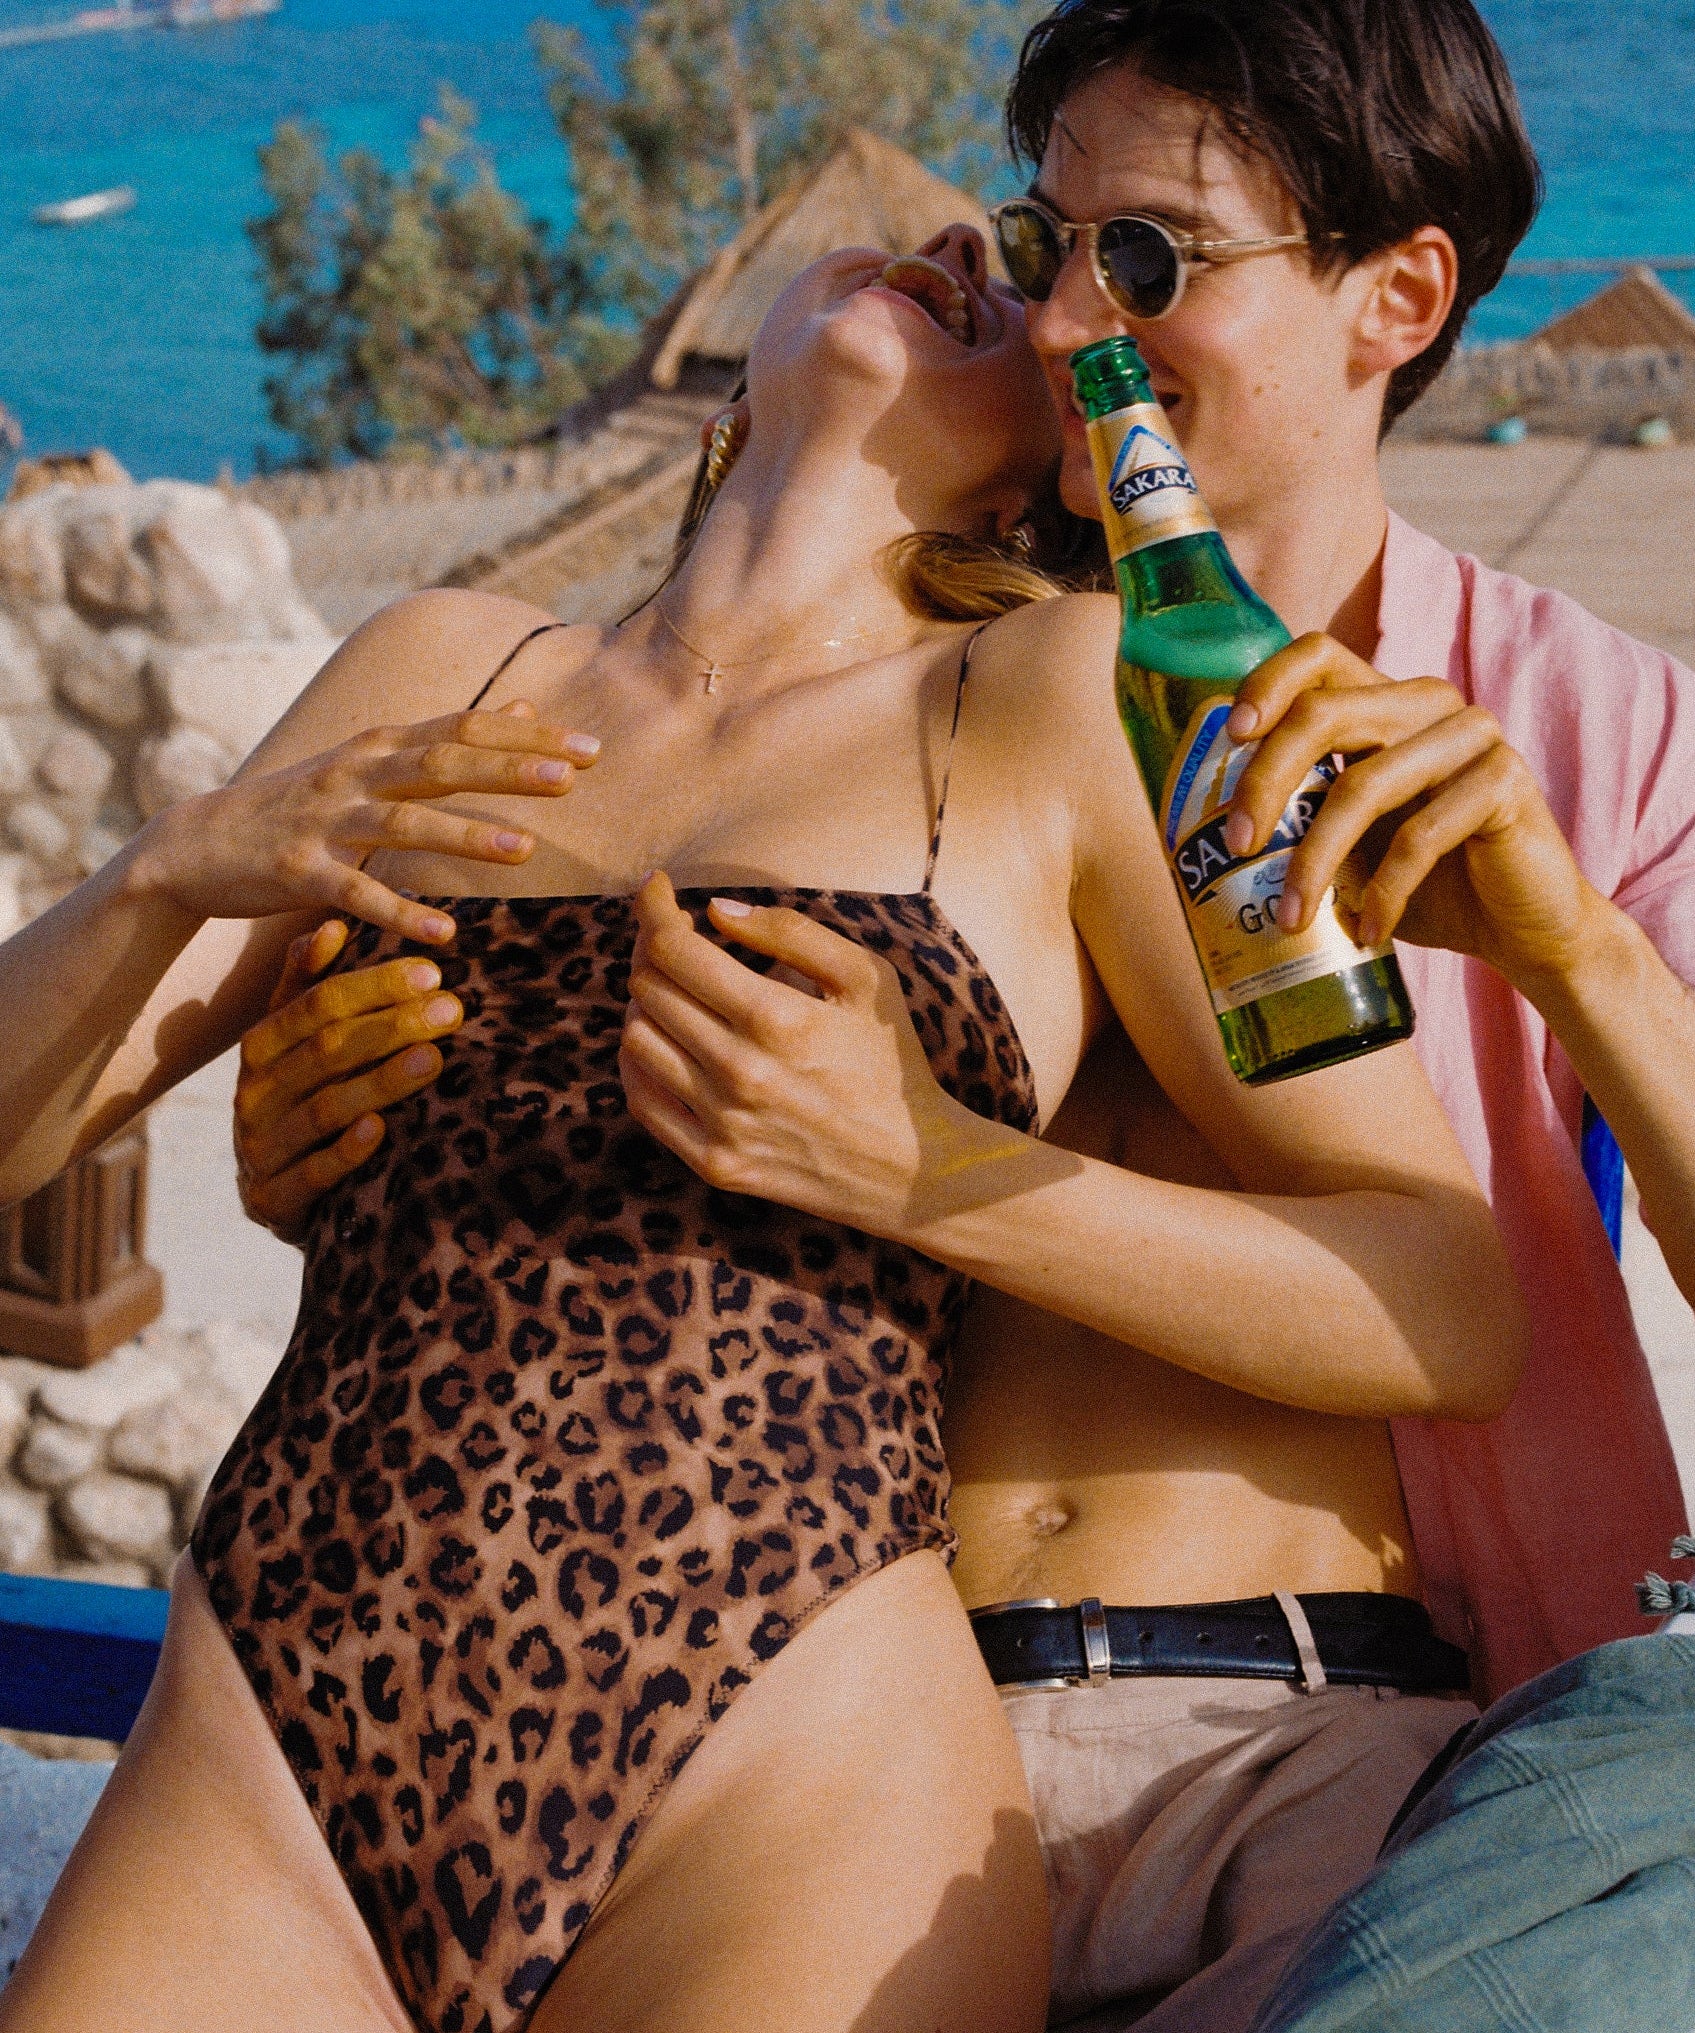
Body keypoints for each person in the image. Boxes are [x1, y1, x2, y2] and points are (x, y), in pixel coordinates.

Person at [0, 231, 1523, 2033]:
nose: (970, 247)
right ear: (735, 381)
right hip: (276, 1729)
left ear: (1064, 442)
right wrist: (160, 873)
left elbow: (1446, 1296)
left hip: (782, 1769)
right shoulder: (445, 659)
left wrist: (934, 1171)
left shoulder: (1072, 693)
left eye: (1027, 278)